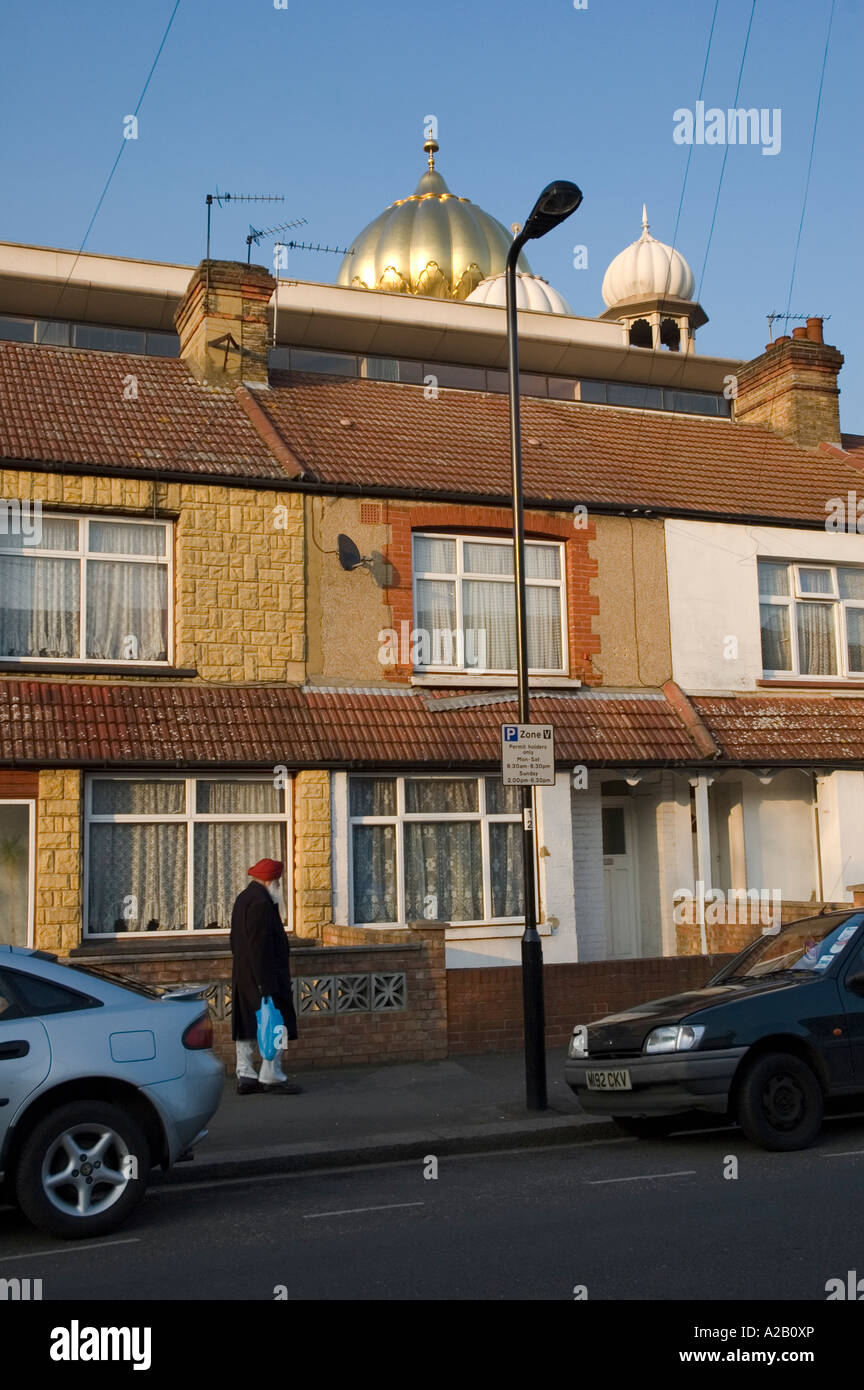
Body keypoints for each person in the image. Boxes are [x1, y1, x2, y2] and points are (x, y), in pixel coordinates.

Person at [230, 858, 301, 1096]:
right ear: (271, 881)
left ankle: (246, 1074)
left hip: (244, 976)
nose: (278, 886)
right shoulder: (261, 903)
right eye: (278, 881)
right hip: (266, 978)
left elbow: (237, 941)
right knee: (276, 1026)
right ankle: (273, 1074)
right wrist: (266, 984)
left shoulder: (244, 898)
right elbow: (259, 947)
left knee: (248, 1025)